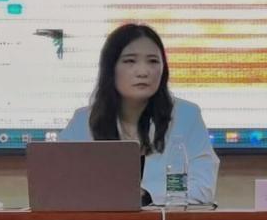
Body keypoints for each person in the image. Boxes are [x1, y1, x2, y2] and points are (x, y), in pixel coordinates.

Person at [59, 23, 219, 205]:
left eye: (153, 61)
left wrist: (147, 196)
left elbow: (203, 188)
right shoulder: (83, 121)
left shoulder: (187, 116)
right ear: (110, 68)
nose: (143, 72)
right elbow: (57, 184)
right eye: (130, 61)